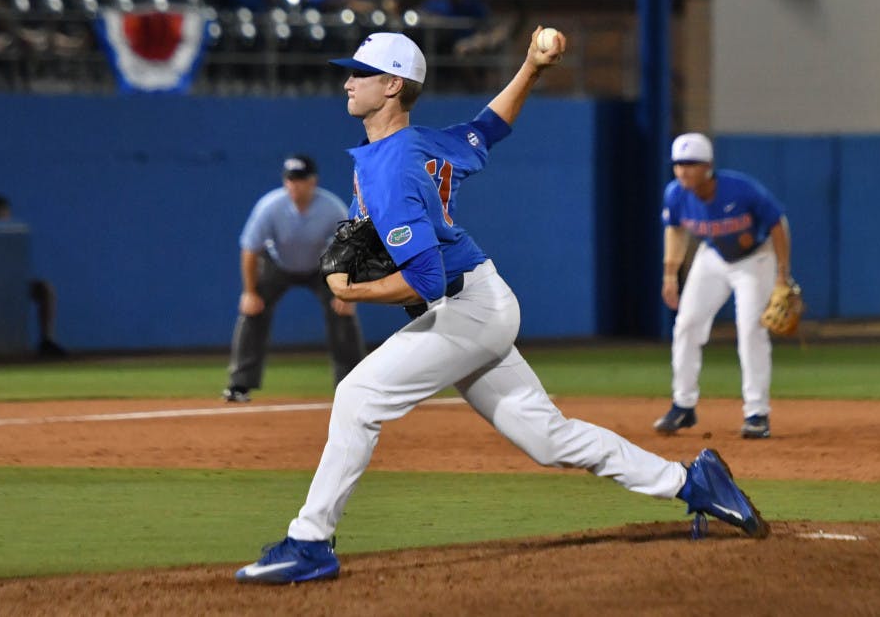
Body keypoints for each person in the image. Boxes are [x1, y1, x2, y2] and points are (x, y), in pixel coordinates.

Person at [233, 29, 770, 584]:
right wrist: (533, 67)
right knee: (548, 437)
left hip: (464, 307)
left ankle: (310, 541)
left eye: (360, 73)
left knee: (357, 396)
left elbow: (427, 279)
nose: (347, 81)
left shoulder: (390, 168)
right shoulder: (420, 145)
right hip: (481, 302)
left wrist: (351, 292)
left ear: (392, 85)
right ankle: (693, 482)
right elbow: (489, 127)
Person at [653, 133, 793, 439]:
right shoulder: (675, 194)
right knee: (686, 325)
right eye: (678, 164)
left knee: (750, 330)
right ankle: (683, 405)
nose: (683, 170)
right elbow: (675, 232)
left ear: (708, 166)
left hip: (755, 260)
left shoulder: (740, 189)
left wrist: (783, 274)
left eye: (691, 164)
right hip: (713, 256)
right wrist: (669, 274)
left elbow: (777, 224)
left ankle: (757, 413)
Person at [222, 154, 366, 403]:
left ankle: (352, 385)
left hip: (320, 266)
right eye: (289, 179)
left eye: (299, 179)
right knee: (252, 311)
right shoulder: (270, 206)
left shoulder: (331, 207)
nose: (294, 185)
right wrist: (249, 292)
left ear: (313, 181)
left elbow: (350, 247)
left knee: (343, 311)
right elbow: (250, 249)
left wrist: (349, 289)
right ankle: (239, 385)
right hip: (277, 265)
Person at [0, 194, 66, 357]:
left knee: (45, 288)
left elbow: (18, 269)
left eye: (3, 212)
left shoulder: (15, 235)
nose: (0, 216)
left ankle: (47, 340)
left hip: (12, 286)